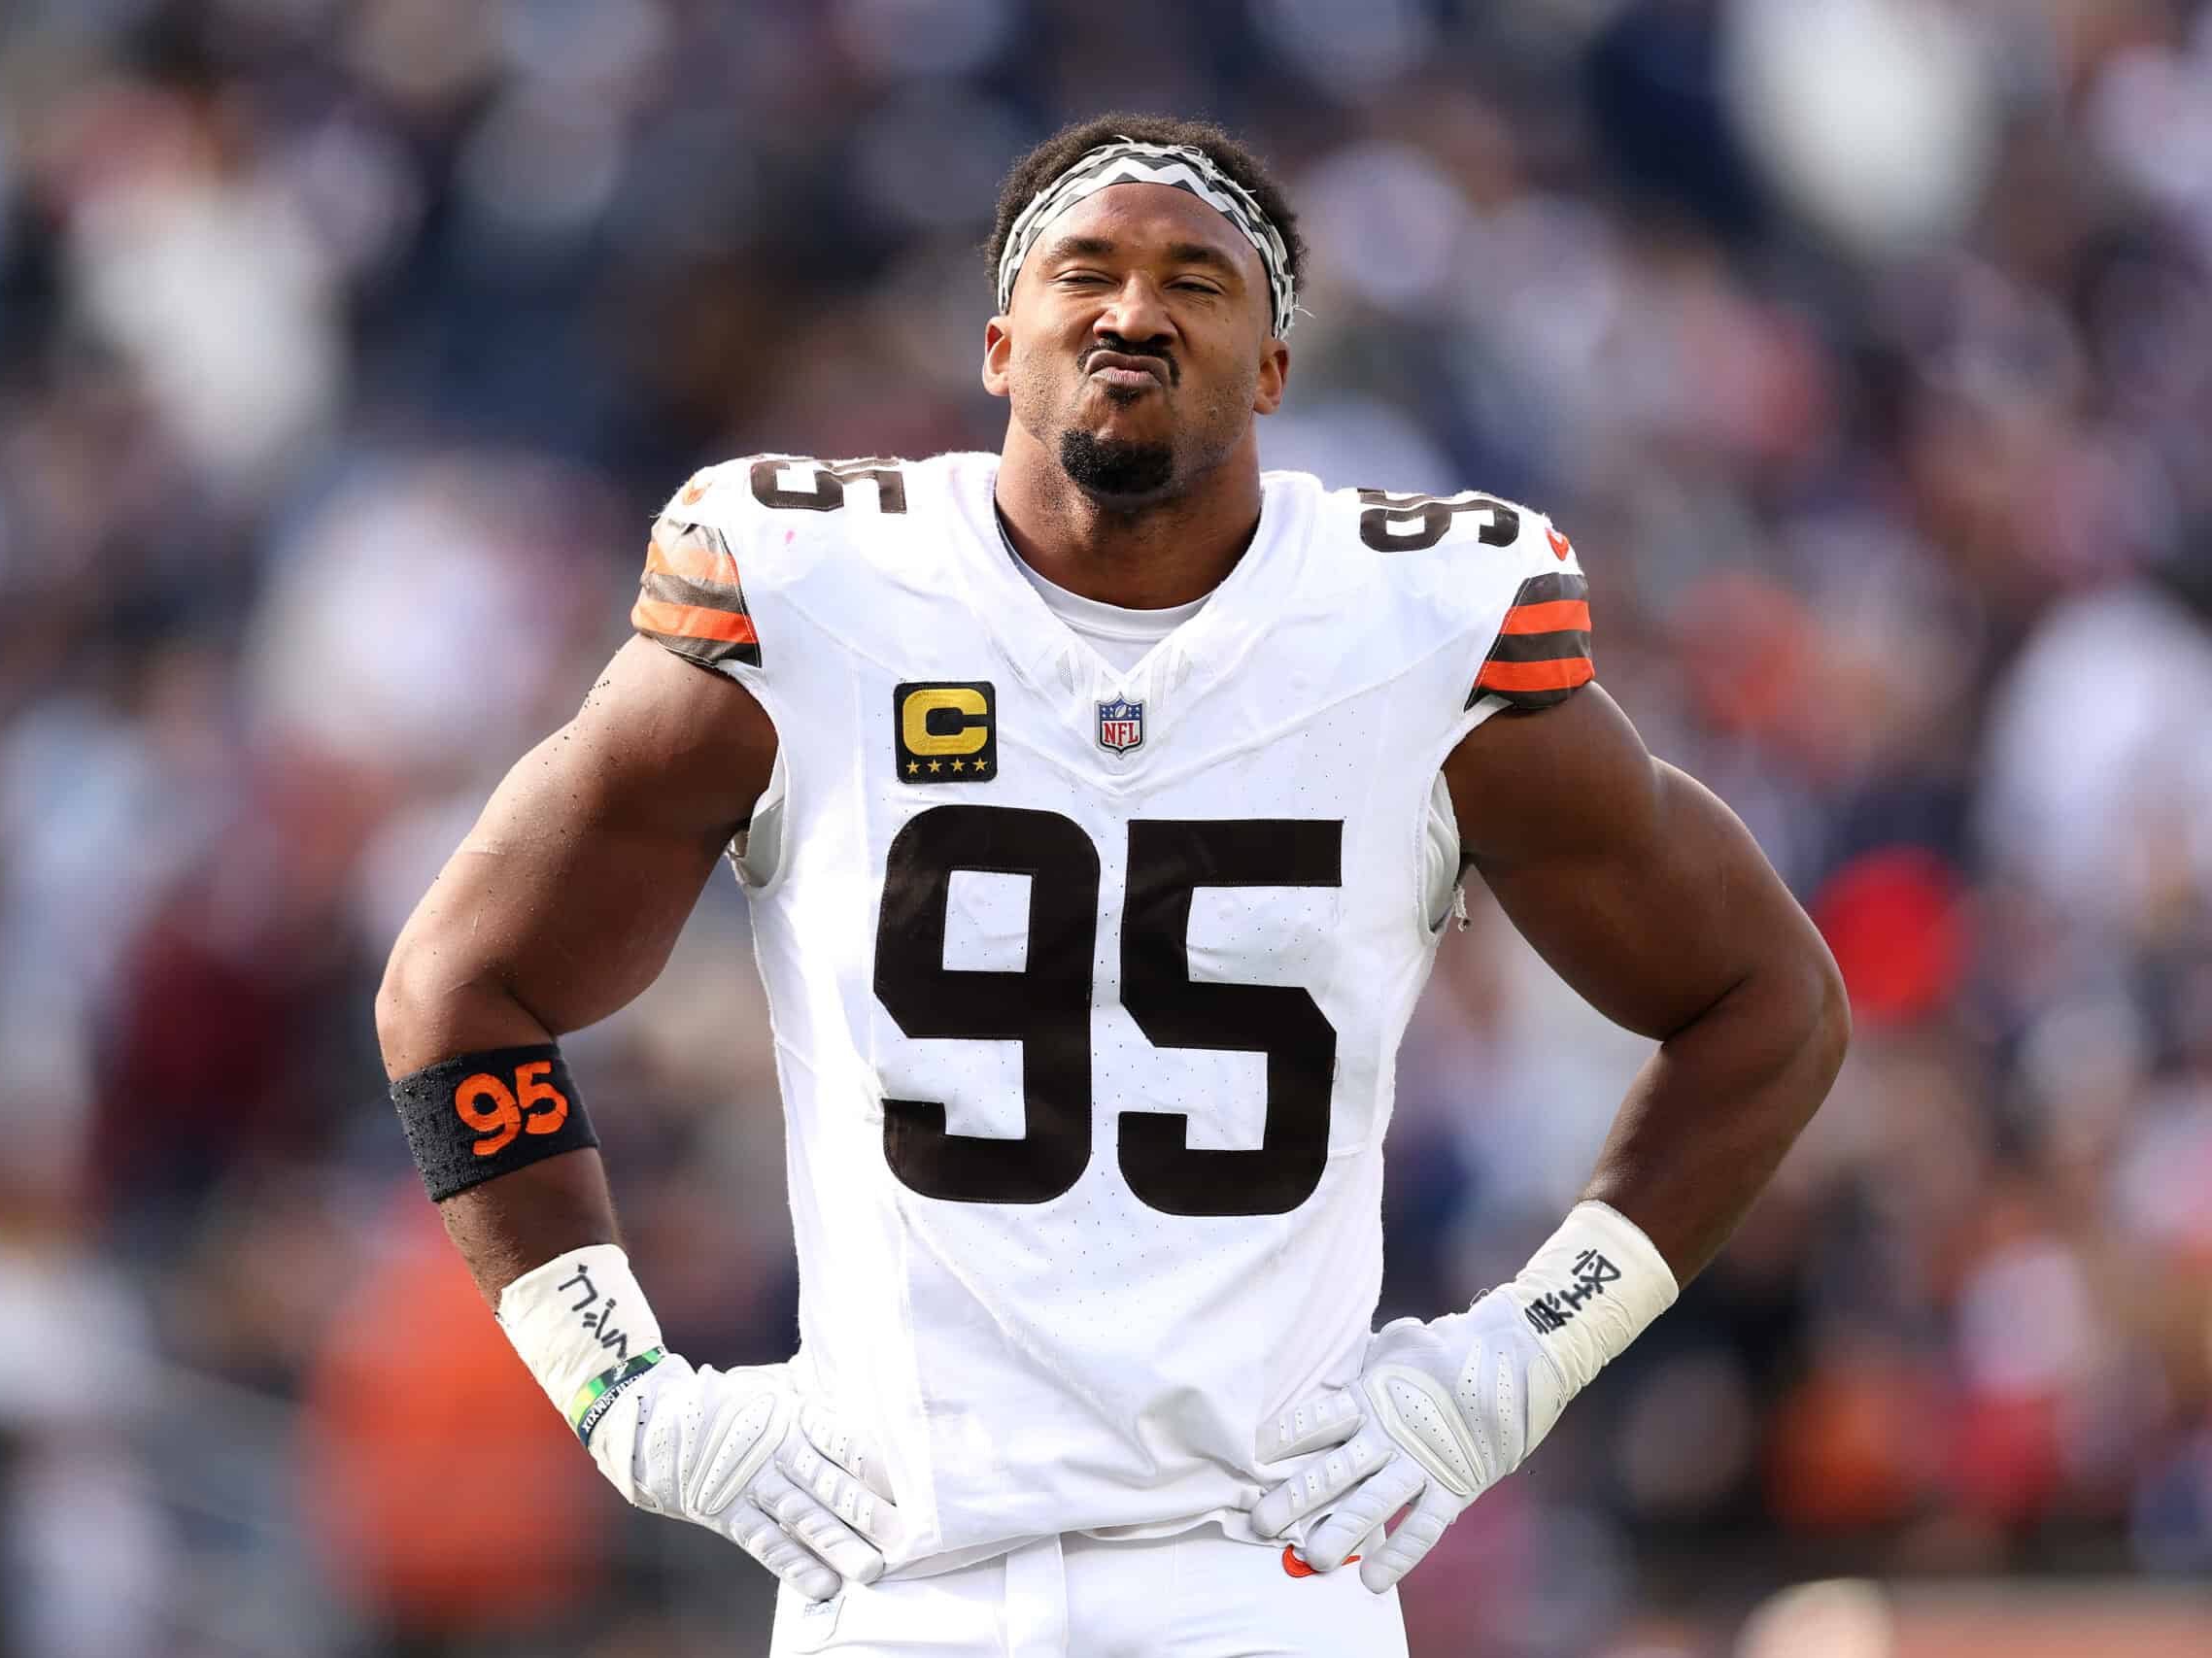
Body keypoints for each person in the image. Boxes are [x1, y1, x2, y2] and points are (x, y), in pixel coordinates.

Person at [373, 112, 1850, 1657]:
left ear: (1276, 367)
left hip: (1263, 1565)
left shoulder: (1419, 627)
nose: (1134, 310)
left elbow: (1774, 1007)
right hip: (896, 1561)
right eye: (1087, 270)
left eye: (1196, 282)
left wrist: (1516, 1368)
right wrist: (626, 1396)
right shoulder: (813, 594)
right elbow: (457, 989)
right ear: (1000, 346)